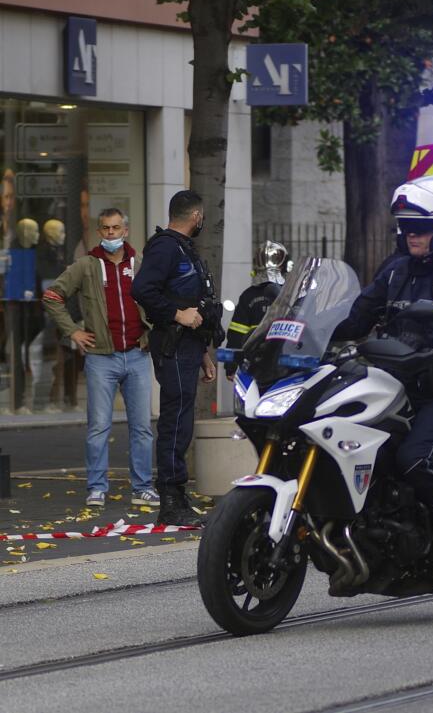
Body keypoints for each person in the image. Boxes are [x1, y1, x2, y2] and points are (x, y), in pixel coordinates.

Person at [332, 175, 433, 566]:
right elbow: (356, 317)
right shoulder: (396, 271)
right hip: (391, 385)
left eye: (421, 227)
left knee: (415, 459)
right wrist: (303, 340)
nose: (411, 235)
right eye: (405, 227)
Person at [43, 208, 157, 508]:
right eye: (105, 229)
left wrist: (151, 334)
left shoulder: (141, 263)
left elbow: (160, 300)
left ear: (126, 230)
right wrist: (74, 332)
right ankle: (96, 488)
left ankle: (143, 487)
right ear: (99, 231)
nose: (110, 234)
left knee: (142, 427)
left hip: (137, 355)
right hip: (100, 359)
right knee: (98, 426)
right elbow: (52, 297)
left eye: (116, 228)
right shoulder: (86, 265)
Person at [132, 190, 221, 527]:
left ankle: (177, 495)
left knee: (181, 420)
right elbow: (142, 289)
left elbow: (192, 302)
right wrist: (177, 314)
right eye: (202, 216)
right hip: (172, 343)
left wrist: (203, 354)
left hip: (188, 346)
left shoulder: (183, 248)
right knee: (175, 421)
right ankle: (170, 498)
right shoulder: (166, 247)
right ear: (196, 216)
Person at [224, 240, 289, 378]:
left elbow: (236, 334)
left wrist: (231, 367)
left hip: (256, 361)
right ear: (285, 265)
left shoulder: (249, 295)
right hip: (282, 361)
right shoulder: (291, 293)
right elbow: (237, 332)